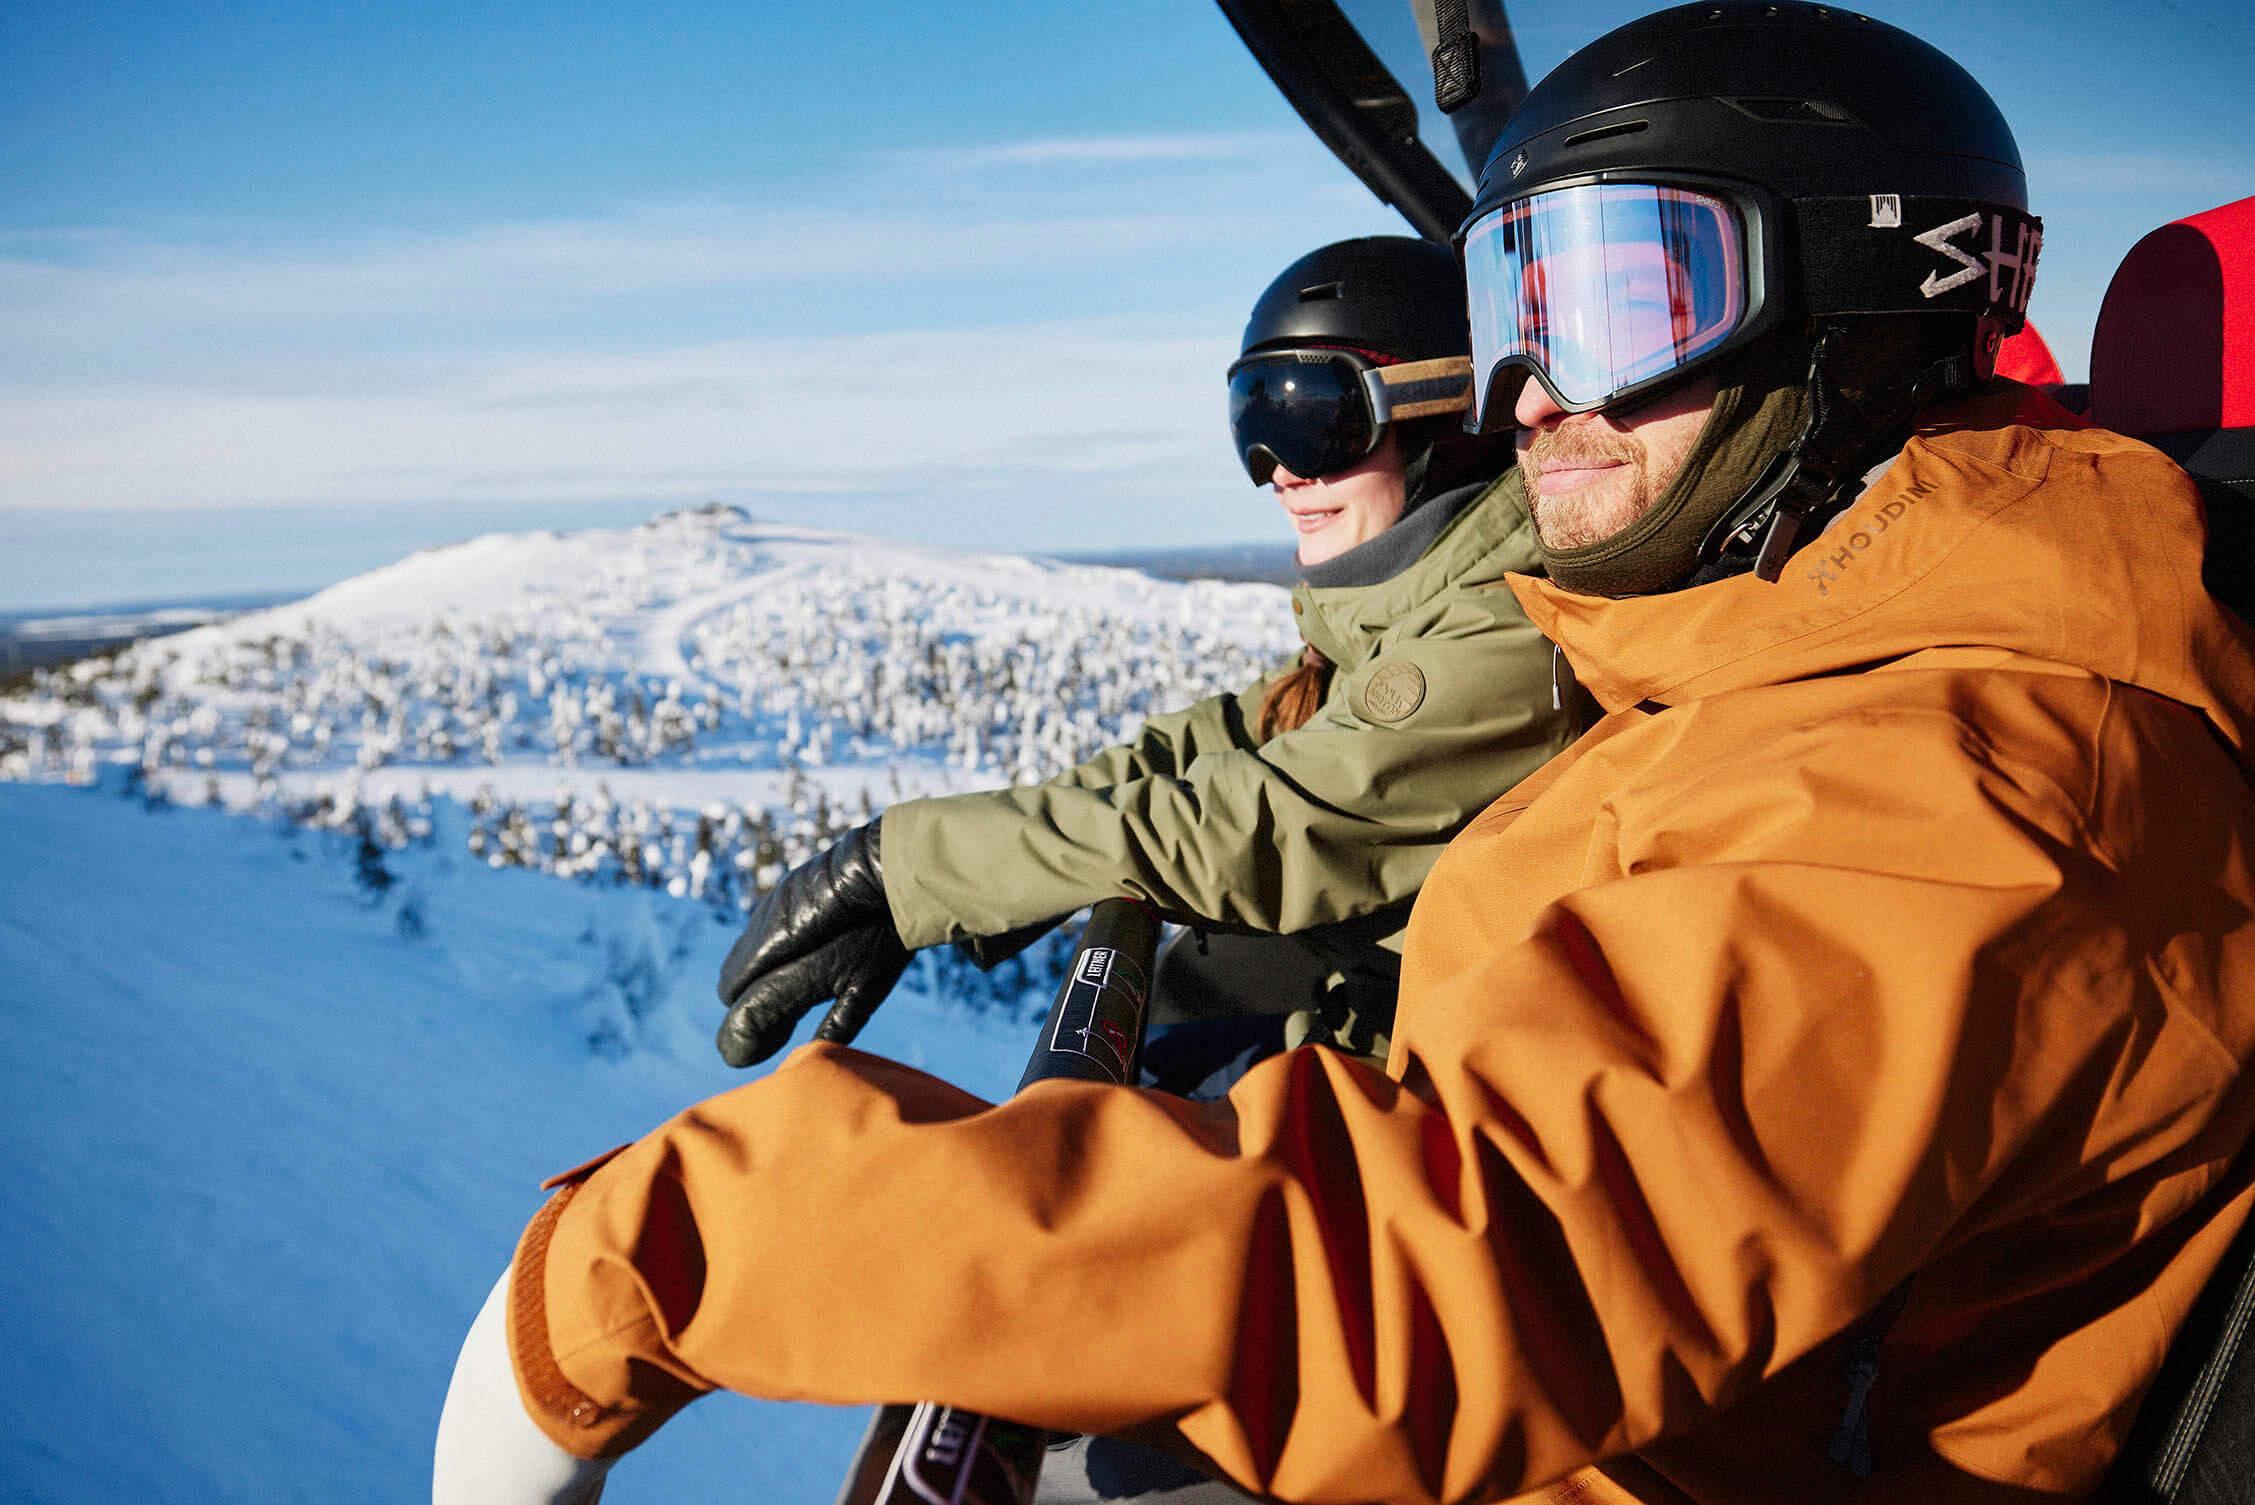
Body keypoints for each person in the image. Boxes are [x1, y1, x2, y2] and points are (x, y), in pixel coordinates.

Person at [435, 6, 2255, 1503]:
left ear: (1863, 308)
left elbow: (1472, 1264)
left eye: (1619, 302)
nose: (1534, 385)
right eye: (1513, 306)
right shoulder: (1768, 641)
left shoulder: (1984, 766)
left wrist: (668, 1252)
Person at [711, 234, 1572, 1083]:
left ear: (1450, 417)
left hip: (1446, 1082)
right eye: (1253, 421)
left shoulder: (1507, 631)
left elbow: (1260, 824)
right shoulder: (1392, 623)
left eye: (1311, 419)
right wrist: (952, 894)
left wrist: (904, 867)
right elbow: (1211, 745)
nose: (1277, 471)